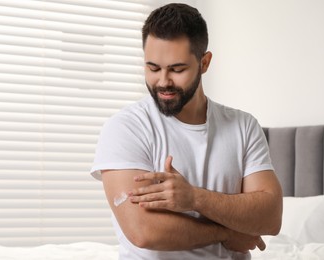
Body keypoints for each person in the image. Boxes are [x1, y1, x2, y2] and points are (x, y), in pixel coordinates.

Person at [90, 3, 282, 259]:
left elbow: (271, 218)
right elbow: (143, 231)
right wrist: (226, 233)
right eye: (153, 68)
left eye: (177, 69)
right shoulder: (126, 127)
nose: (163, 81)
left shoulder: (243, 126)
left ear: (204, 62)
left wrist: (194, 198)